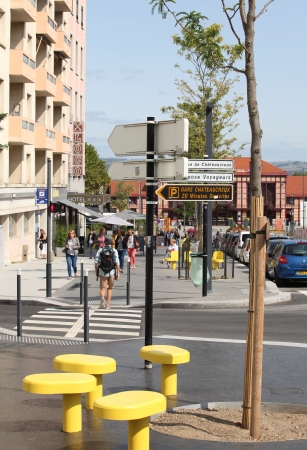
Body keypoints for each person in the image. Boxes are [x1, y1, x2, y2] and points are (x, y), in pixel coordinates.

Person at [94, 234, 120, 309]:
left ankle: (102, 298)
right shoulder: (114, 251)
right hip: (111, 271)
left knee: (103, 288)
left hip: (102, 271)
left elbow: (96, 262)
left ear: (104, 242)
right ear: (111, 242)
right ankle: (107, 305)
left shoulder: (100, 250)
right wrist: (118, 273)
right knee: (110, 288)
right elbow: (117, 263)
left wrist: (96, 272)